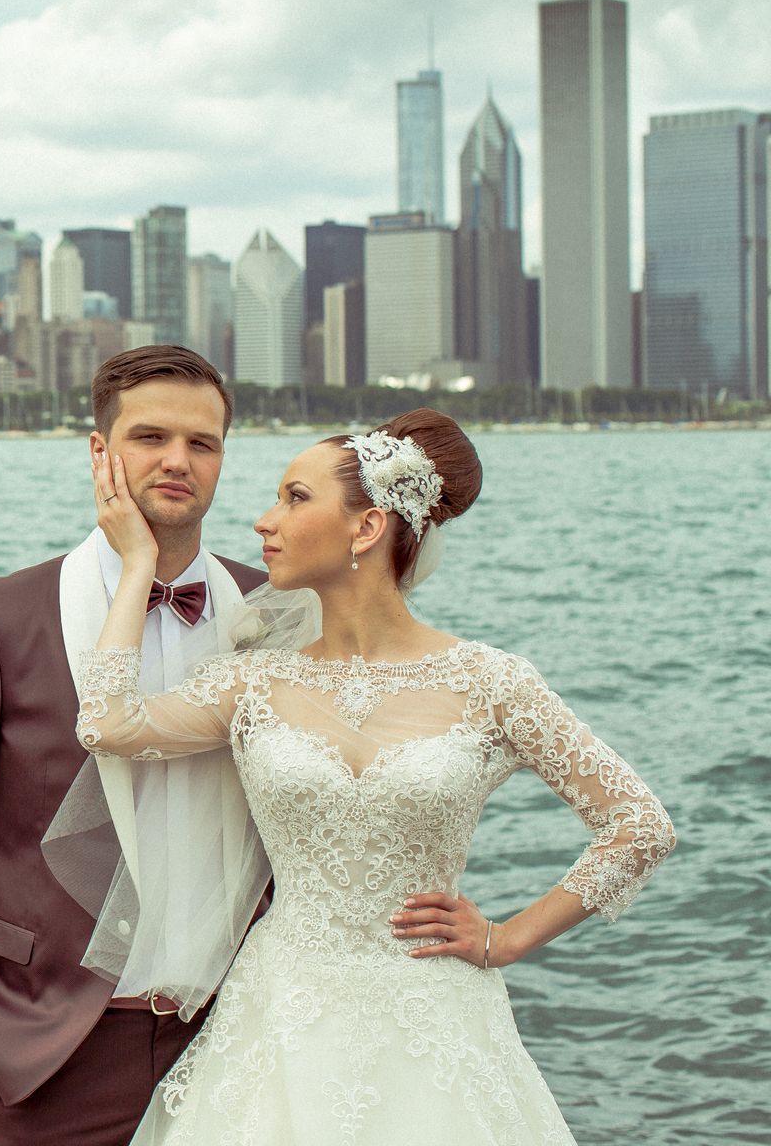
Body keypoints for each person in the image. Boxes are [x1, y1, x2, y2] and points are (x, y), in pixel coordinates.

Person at [70, 408, 677, 1143]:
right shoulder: (252, 683)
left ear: (366, 529)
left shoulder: (491, 682)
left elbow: (639, 825)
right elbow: (105, 723)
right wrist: (137, 564)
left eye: (295, 498)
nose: (264, 522)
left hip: (437, 1019)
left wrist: (507, 938)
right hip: (284, 1014)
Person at [0, 346, 286, 1146]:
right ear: (100, 452)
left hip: (239, 1033)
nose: (177, 460)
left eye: (202, 443)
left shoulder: (276, 615)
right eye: (149, 438)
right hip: (45, 1048)